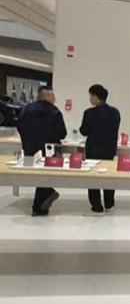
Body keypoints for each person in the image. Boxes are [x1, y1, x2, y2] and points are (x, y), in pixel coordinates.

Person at [16, 85, 67, 216]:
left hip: (30, 150)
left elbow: (19, 126)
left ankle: (40, 206)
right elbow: (62, 133)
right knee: (47, 176)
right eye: (52, 95)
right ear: (45, 96)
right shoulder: (54, 111)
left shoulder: (26, 109)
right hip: (50, 151)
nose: (54, 98)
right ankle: (41, 202)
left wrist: (27, 141)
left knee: (38, 176)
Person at [79, 84, 121, 216]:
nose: (90, 99)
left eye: (90, 96)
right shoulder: (115, 112)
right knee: (108, 175)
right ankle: (109, 203)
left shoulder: (89, 113)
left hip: (94, 149)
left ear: (95, 97)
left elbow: (84, 131)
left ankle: (97, 207)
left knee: (93, 177)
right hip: (109, 149)